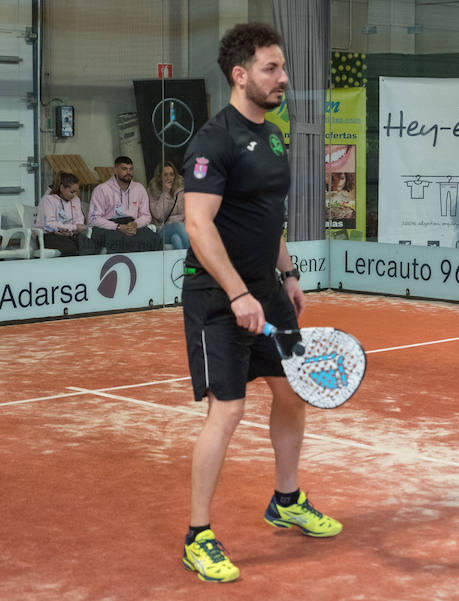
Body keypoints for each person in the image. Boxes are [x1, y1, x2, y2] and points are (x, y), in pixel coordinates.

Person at [179, 23, 341, 584]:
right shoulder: (212, 140)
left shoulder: (273, 135)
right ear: (240, 74)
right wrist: (238, 292)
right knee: (227, 410)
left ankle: (287, 499)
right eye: (271, 69)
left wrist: (287, 271)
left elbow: (265, 215)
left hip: (267, 290)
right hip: (218, 297)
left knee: (293, 392)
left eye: (283, 68)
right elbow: (198, 226)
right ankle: (198, 535)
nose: (284, 78)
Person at [88, 155, 162, 252]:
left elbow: (146, 215)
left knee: (154, 239)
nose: (128, 172)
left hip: (133, 225)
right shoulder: (102, 189)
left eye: (131, 169)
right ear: (115, 170)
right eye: (124, 169)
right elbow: (93, 218)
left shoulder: (139, 188)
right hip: (110, 226)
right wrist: (117, 227)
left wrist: (136, 224)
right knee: (119, 240)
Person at [35, 172, 96, 256]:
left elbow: (79, 219)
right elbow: (48, 224)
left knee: (90, 245)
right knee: (71, 247)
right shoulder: (48, 200)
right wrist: (72, 227)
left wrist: (73, 230)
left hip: (70, 235)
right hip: (48, 235)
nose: (74, 195)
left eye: (76, 192)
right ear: (62, 188)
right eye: (72, 192)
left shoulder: (75, 199)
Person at [148, 160, 189, 249]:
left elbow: (188, 213)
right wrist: (166, 193)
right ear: (159, 177)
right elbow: (158, 215)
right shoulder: (153, 190)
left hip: (182, 228)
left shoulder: (181, 190)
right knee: (176, 225)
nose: (169, 177)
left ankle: (184, 262)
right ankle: (194, 256)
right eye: (165, 175)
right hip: (162, 230)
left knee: (176, 239)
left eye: (171, 174)